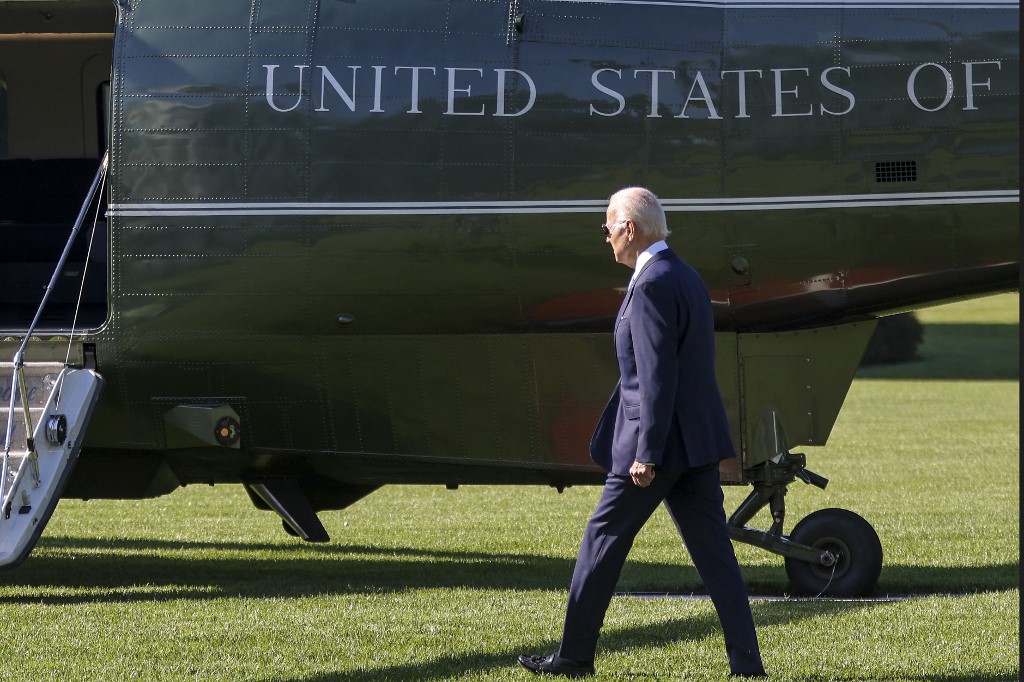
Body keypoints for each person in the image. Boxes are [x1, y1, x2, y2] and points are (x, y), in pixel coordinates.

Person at [517, 187, 766, 679]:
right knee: (716, 558)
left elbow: (658, 375)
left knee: (601, 540)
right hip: (695, 443)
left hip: (657, 447)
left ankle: (573, 658)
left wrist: (647, 453)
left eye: (608, 225)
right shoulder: (684, 274)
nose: (605, 235)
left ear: (629, 229)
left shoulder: (652, 282)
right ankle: (747, 666)